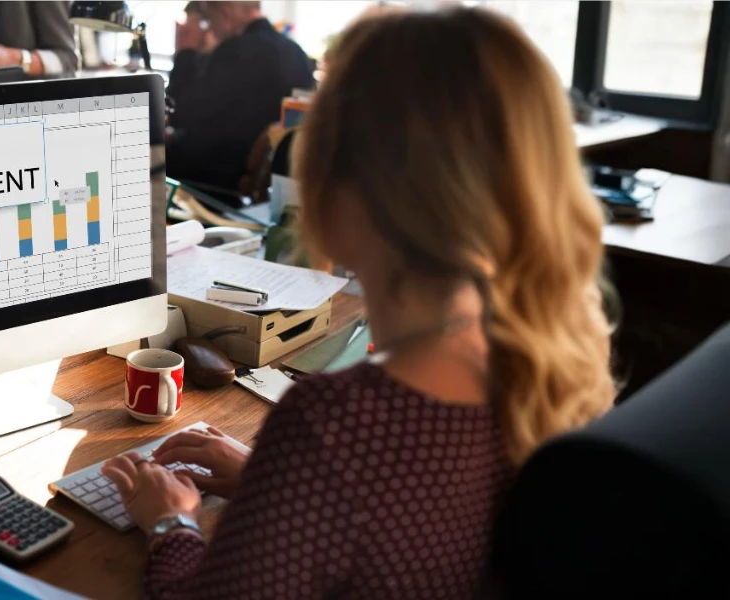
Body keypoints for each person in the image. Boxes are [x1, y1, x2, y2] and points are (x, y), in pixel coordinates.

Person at [103, 6, 616, 599]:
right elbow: (410, 524)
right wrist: (283, 492)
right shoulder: (558, 363)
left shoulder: (335, 428)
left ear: (343, 192)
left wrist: (170, 521)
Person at [166, 1, 313, 192]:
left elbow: (179, 111)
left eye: (210, 19)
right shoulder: (297, 53)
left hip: (219, 185)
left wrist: (186, 50)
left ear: (225, 14)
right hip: (276, 188)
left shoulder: (237, 50)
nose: (210, 28)